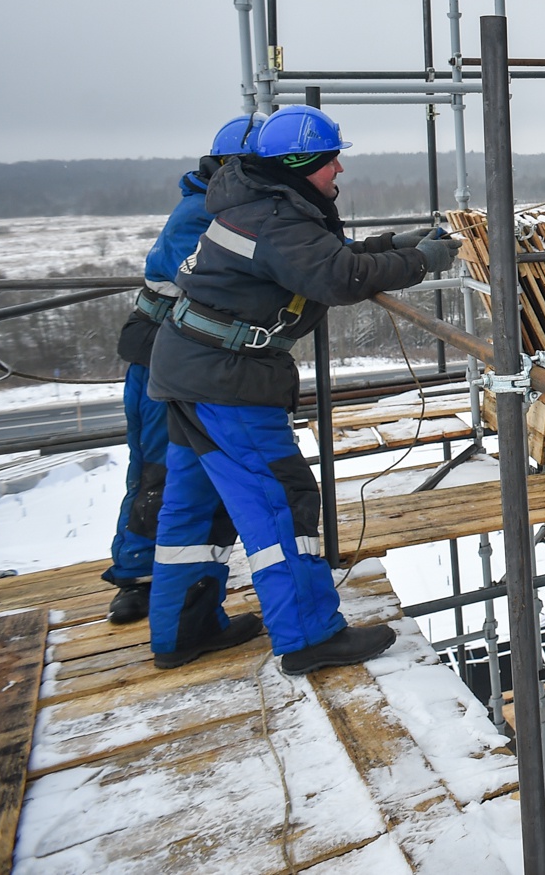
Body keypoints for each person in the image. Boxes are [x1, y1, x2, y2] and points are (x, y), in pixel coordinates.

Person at [145, 104, 460, 671]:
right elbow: (337, 277)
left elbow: (316, 260)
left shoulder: (260, 202)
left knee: (196, 507)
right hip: (228, 378)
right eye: (331, 161)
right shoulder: (273, 216)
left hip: (191, 367)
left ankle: (183, 630)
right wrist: (420, 260)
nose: (339, 171)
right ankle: (309, 635)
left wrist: (395, 242)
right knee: (280, 501)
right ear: (300, 163)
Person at [101, 115, 261, 624]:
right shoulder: (201, 215)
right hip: (161, 362)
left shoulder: (218, 207)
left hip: (176, 360)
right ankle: (139, 578)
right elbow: (250, 269)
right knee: (160, 470)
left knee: (179, 475)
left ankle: (166, 582)